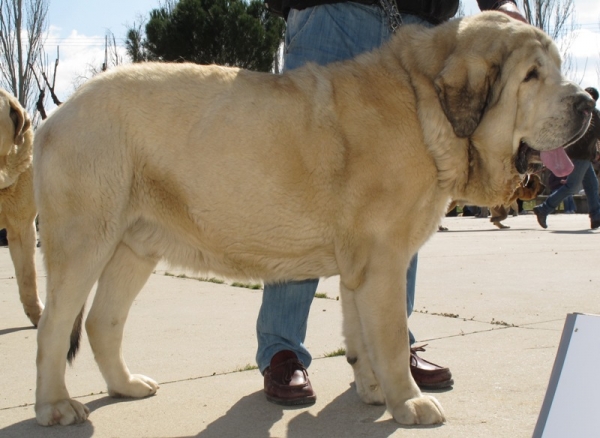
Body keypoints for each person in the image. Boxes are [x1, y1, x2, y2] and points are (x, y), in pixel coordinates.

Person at [259, 0, 528, 406]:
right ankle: (282, 349)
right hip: (331, 15)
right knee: (305, 188)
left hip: (420, 29)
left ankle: (390, 355)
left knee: (408, 192)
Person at [533, 87, 600, 230]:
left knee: (592, 186)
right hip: (579, 155)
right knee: (572, 187)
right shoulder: (587, 114)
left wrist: (596, 151)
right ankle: (544, 209)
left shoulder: (585, 113)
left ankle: (596, 217)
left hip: (584, 156)